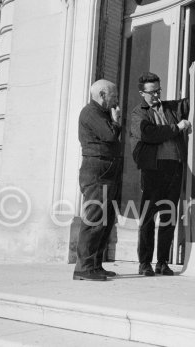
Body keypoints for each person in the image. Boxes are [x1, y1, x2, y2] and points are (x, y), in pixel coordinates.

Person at [129, 72, 191, 276]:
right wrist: (177, 127)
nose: (156, 96)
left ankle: (162, 262)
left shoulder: (172, 107)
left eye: (158, 91)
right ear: (142, 93)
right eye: (152, 92)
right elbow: (150, 134)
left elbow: (193, 100)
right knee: (148, 217)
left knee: (169, 216)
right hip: (153, 170)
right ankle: (144, 263)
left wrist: (193, 74)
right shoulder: (139, 113)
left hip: (175, 167)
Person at [73, 79, 122, 281]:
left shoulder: (101, 113)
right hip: (96, 173)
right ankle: (83, 268)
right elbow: (109, 136)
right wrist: (116, 121)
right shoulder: (91, 112)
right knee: (94, 220)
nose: (117, 100)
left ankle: (95, 265)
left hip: (106, 173)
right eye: (114, 95)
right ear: (102, 95)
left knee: (106, 220)